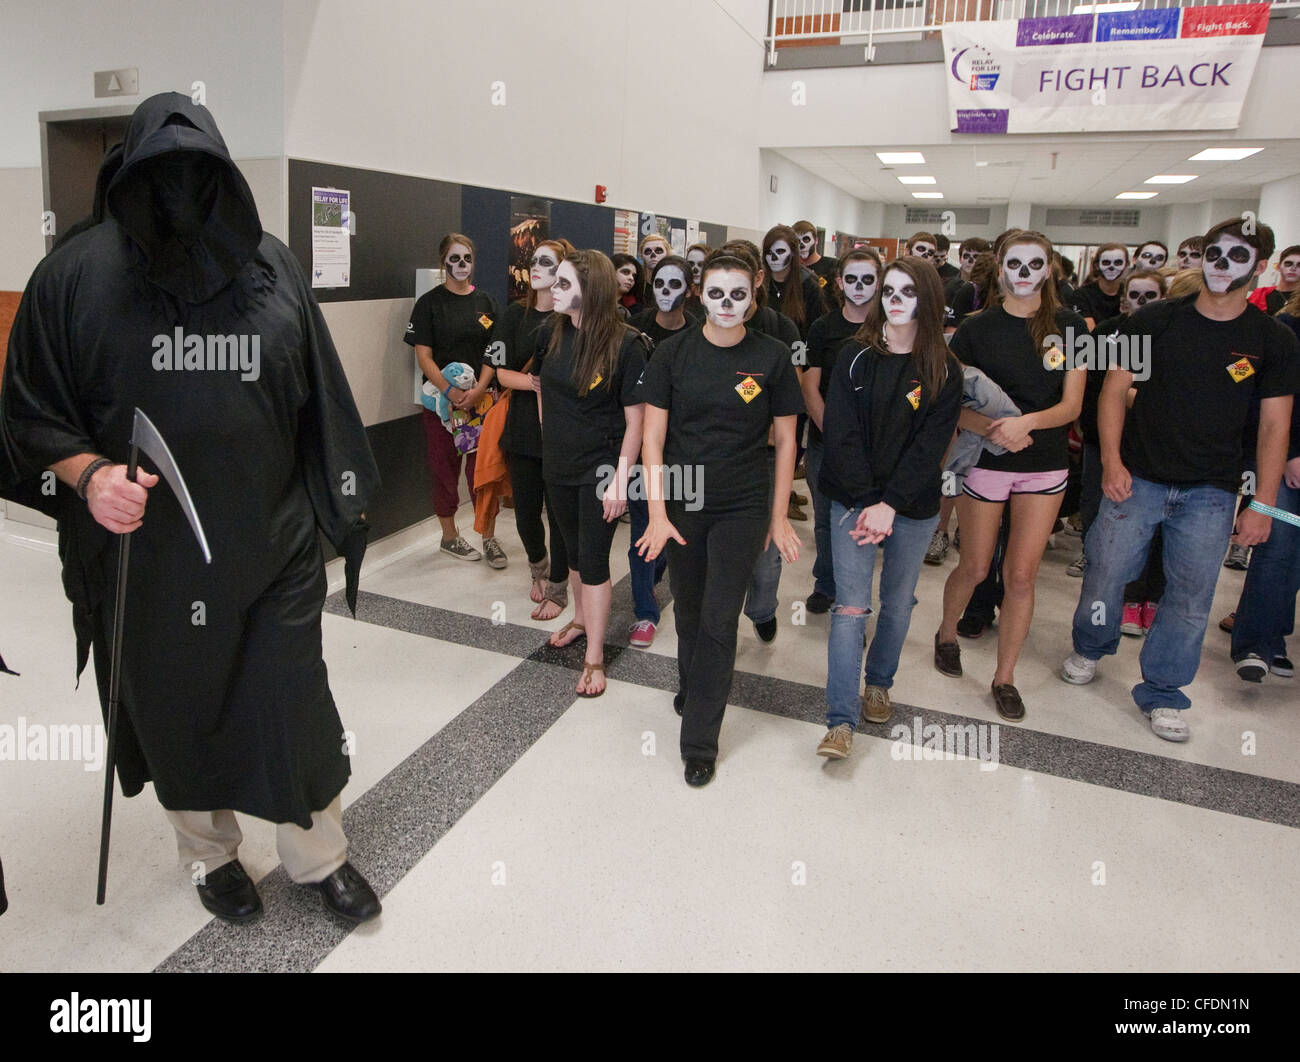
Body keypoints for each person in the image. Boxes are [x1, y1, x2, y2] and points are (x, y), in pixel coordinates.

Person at [0, 92, 382, 924]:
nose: (177, 192)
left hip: (272, 545)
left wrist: (340, 505)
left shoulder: (270, 265)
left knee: (294, 706)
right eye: (158, 175)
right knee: (177, 713)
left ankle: (319, 859)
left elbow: (321, 396)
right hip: (148, 560)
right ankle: (210, 857)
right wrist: (87, 473)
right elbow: (27, 414)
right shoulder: (71, 276)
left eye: (195, 173)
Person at [1061, 217, 1300, 742]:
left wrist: (1261, 502)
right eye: (1214, 254)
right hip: (1139, 477)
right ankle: (1091, 644)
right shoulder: (1155, 321)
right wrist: (1115, 462)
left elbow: (1275, 424)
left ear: (1258, 267)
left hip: (1212, 490)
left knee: (1191, 595)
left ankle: (1164, 690)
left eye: (1236, 257)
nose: (1220, 266)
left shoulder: (1271, 339)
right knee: (1106, 569)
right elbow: (1113, 389)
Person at [636, 251, 802, 787]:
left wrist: (778, 517)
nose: (727, 305)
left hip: (742, 503)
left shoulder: (773, 356)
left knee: (719, 617)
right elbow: (652, 439)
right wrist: (656, 514)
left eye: (738, 295)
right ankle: (695, 683)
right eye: (715, 294)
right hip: (683, 499)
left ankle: (700, 741)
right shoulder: (670, 354)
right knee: (687, 609)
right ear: (698, 295)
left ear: (754, 295)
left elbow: (786, 442)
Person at [934, 231, 1087, 721]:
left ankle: (1005, 677)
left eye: (1034, 263)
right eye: (1014, 264)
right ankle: (945, 633)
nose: (1023, 273)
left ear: (1048, 269)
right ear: (999, 268)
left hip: (1044, 465)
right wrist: (995, 429)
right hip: (987, 461)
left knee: (1020, 575)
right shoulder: (976, 328)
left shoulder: (1072, 328)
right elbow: (951, 399)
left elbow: (1072, 405)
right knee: (976, 566)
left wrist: (1027, 423)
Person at [815, 257, 961, 758]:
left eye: (907, 291)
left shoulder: (943, 367)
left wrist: (890, 505)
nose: (895, 299)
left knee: (898, 603)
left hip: (913, 507)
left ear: (928, 300)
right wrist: (865, 502)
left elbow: (929, 447)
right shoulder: (854, 357)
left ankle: (879, 681)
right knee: (851, 608)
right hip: (851, 501)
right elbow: (840, 433)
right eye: (889, 289)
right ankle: (839, 720)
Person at [541, 250, 647, 696]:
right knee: (572, 555)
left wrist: (621, 480)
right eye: (555, 282)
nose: (553, 290)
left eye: (564, 284)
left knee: (595, 560)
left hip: (601, 469)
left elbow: (637, 421)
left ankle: (596, 657)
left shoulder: (628, 345)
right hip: (559, 465)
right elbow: (542, 388)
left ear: (593, 290)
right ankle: (581, 620)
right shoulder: (554, 331)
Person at [407, 232, 506, 567]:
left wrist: (479, 390)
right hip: (441, 406)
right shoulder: (429, 304)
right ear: (443, 262)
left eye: (467, 259)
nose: (461, 265)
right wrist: (450, 392)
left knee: (483, 473)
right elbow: (424, 356)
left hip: (482, 405)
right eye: (454, 259)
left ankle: (489, 537)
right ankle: (449, 537)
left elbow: (495, 353)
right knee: (444, 471)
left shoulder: (488, 303)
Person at [495, 237, 575, 620]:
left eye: (547, 261)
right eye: (534, 260)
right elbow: (500, 372)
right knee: (526, 510)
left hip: (561, 431)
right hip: (524, 427)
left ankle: (559, 585)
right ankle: (538, 568)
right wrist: (531, 383)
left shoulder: (570, 317)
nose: (536, 266)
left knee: (560, 514)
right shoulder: (514, 315)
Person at [1071, 268, 1168, 582]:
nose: (1141, 301)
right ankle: (1091, 553)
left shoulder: (1170, 333)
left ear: (1163, 298)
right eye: (1135, 294)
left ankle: (1134, 572)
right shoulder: (1106, 332)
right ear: (1124, 298)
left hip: (1150, 439)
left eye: (1149, 295)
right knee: (1093, 495)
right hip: (1101, 432)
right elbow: (1090, 384)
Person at [625, 255, 702, 646]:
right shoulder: (633, 330)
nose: (666, 293)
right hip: (642, 447)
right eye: (659, 285)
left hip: (687, 452)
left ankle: (654, 573)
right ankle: (645, 611)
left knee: (676, 531)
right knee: (642, 530)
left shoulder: (701, 334)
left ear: (690, 290)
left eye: (675, 285)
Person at [801, 249, 881, 614]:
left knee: (867, 518)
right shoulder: (823, 328)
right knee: (825, 516)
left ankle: (856, 590)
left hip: (876, 445)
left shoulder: (888, 326)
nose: (860, 287)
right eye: (852, 279)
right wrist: (832, 433)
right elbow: (810, 386)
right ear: (838, 282)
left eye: (868, 279)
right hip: (826, 441)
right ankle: (827, 582)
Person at [1229, 300, 1300, 680]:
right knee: (1277, 548)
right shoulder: (1283, 329)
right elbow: (1246, 386)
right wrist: (1292, 453)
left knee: (1297, 559)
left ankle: (1275, 638)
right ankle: (1253, 643)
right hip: (1283, 461)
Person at [1071, 242, 1129, 329]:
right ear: (1097, 265)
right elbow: (1090, 331)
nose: (1111, 267)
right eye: (1106, 262)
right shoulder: (1082, 294)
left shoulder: (1130, 294)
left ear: (1126, 265)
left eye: (1118, 263)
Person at [1248, 244, 1300, 316]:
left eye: (1299, 265)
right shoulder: (1259, 294)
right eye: (1288, 264)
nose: (1293, 268)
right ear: (1278, 267)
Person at [793, 219, 838, 289]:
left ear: (816, 240)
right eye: (797, 241)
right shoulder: (791, 268)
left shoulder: (832, 265)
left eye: (806, 239)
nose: (801, 246)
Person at [611, 253, 645, 317]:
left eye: (634, 276)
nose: (631, 278)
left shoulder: (636, 310)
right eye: (625, 272)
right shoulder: (594, 299)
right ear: (611, 271)